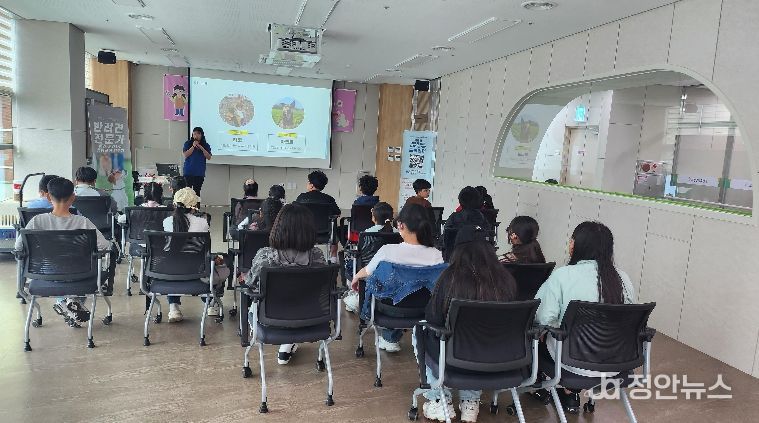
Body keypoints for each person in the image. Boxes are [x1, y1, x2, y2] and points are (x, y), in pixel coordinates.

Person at [418, 225, 517, 422]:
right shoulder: (506, 280)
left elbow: (433, 319)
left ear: (458, 249)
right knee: (479, 340)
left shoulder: (449, 278)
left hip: (455, 358)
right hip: (498, 357)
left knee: (420, 330)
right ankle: (470, 402)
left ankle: (439, 400)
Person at [533, 221, 635, 411]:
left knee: (537, 336)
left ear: (575, 245)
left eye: (572, 240)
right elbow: (628, 320)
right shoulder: (622, 278)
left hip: (572, 362)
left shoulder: (562, 276)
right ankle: (569, 393)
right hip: (616, 362)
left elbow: (542, 317)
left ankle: (553, 388)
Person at [15, 177, 112, 327]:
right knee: (87, 276)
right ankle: (70, 301)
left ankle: (64, 301)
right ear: (73, 197)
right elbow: (105, 246)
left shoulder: (37, 221)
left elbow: (19, 247)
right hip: (81, 274)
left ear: (48, 197)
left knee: (60, 275)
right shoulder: (82, 222)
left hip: (45, 273)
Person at [351, 203, 443, 352]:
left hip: (390, 310)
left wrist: (356, 278)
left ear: (400, 225)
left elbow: (367, 272)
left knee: (388, 288)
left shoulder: (388, 251)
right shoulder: (438, 256)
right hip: (425, 310)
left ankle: (390, 338)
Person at [244, 203, 327, 365]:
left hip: (271, 320)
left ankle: (286, 344)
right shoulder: (317, 256)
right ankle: (287, 345)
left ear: (278, 227)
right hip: (310, 317)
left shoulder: (265, 256)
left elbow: (251, 286)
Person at [161, 187, 211, 322]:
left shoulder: (167, 222)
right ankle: (210, 304)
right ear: (194, 207)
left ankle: (173, 308)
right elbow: (205, 249)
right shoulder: (203, 223)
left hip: (171, 272)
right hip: (197, 272)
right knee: (222, 267)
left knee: (174, 262)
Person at [342, 202, 397, 313]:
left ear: (373, 217)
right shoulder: (397, 233)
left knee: (348, 263)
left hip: (367, 270)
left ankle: (354, 293)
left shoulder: (366, 233)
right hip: (391, 272)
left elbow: (360, 252)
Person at [295, 170, 341, 261]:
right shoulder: (329, 199)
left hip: (304, 234)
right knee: (333, 223)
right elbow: (338, 213)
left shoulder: (301, 198)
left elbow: (295, 212)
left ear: (311, 185)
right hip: (325, 234)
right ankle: (333, 259)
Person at [440, 187, 491, 255]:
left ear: (460, 200)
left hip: (455, 257)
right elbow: (488, 241)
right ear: (477, 200)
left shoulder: (453, 217)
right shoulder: (482, 218)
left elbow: (444, 240)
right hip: (478, 257)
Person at [182, 127, 212, 196]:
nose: (196, 135)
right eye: (194, 134)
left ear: (201, 135)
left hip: (199, 173)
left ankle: (197, 204)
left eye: (198, 134)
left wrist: (201, 147)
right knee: (187, 192)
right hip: (188, 172)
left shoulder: (206, 145)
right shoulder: (188, 143)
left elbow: (209, 157)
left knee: (197, 192)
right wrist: (193, 146)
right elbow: (185, 155)